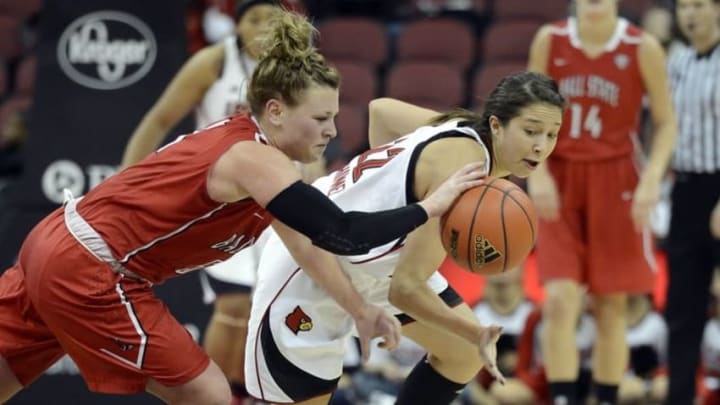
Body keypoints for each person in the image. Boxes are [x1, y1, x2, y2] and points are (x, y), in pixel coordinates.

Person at [0, 9, 484, 404]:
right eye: (319, 118)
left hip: (55, 242)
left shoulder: (261, 157)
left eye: (334, 117)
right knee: (207, 393)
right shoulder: (254, 160)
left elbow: (307, 244)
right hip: (91, 269)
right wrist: (431, 206)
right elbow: (341, 231)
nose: (333, 131)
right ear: (275, 111)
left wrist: (358, 309)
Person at [244, 71, 567, 405]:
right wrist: (475, 331)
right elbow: (405, 289)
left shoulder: (464, 127)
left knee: (464, 353)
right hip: (311, 264)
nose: (541, 146)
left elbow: (382, 111)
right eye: (530, 131)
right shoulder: (463, 170)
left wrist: (388, 189)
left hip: (371, 263)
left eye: (552, 134)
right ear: (497, 125)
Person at [122, 2, 322, 402]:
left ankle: (245, 393)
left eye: (271, 17)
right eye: (252, 17)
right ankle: (212, 396)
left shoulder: (301, 70)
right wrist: (129, 180)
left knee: (265, 309)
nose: (262, 26)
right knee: (232, 304)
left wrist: (314, 187)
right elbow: (160, 119)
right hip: (221, 202)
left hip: (280, 199)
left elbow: (315, 135)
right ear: (236, 23)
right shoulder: (215, 61)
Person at [526, 0, 677, 404]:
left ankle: (606, 398)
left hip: (617, 179)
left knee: (611, 304)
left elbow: (665, 123)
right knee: (559, 300)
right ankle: (563, 398)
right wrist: (536, 172)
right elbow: (527, 112)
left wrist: (651, 180)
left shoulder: (641, 46)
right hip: (560, 173)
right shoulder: (551, 39)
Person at [663, 1, 720, 403]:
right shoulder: (676, 61)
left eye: (699, 4)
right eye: (684, 5)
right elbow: (664, 127)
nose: (690, 13)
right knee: (682, 305)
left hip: (719, 187)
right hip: (684, 190)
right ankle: (679, 396)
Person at [463, 266, 536, 405]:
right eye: (496, 262)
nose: (502, 268)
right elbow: (461, 371)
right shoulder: (472, 314)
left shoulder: (534, 315)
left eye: (508, 263)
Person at [619, 294, 668, 405]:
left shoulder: (656, 323)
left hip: (650, 380)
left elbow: (664, 361)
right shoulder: (612, 322)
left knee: (662, 388)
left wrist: (656, 381)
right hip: (622, 380)